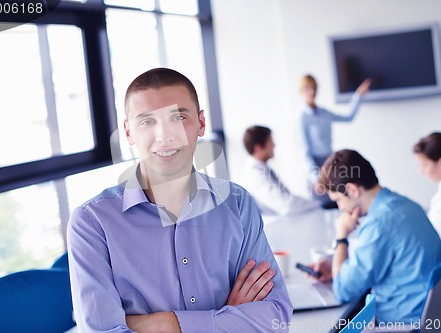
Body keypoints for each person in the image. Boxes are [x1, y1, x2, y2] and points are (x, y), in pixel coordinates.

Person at [67, 68, 292, 333]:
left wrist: (167, 324)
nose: (165, 136)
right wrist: (225, 319)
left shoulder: (237, 203)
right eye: (147, 122)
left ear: (201, 123)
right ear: (128, 132)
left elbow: (276, 319)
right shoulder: (92, 223)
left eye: (178, 117)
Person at [309, 149, 441, 324]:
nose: (341, 208)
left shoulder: (379, 224)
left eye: (338, 200)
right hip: (431, 317)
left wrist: (341, 237)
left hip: (402, 324)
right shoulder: (405, 204)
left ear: (352, 189)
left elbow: (343, 290)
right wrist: (338, 266)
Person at [300, 75, 372, 181]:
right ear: (301, 91)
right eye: (308, 88)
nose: (312, 92)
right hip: (315, 166)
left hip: (329, 161)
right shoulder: (302, 117)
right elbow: (304, 150)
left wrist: (358, 95)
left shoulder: (324, 113)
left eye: (314, 88)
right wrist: (315, 178)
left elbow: (348, 117)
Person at [240, 125, 321, 216]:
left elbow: (288, 198)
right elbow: (287, 206)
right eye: (270, 142)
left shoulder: (262, 168)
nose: (274, 145)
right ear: (258, 148)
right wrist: (318, 205)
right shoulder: (255, 175)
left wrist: (314, 204)